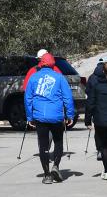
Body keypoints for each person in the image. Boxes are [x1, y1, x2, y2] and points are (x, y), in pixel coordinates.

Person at [25, 53, 75, 184]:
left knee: (43, 145)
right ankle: (56, 166)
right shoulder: (59, 78)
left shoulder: (34, 77)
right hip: (57, 116)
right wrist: (70, 115)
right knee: (58, 142)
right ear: (53, 63)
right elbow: (68, 98)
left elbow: (28, 98)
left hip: (40, 116)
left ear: (41, 63)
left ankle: (47, 175)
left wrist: (29, 116)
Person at [86, 58, 106, 162]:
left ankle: (99, 150)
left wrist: (87, 119)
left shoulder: (91, 77)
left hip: (95, 108)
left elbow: (87, 92)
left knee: (98, 130)